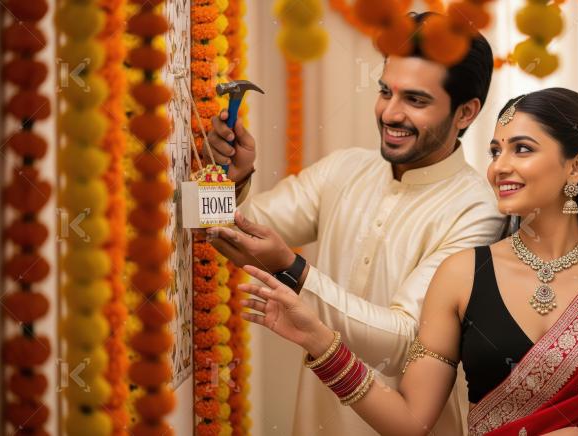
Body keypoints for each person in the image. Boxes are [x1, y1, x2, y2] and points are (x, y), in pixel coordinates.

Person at [236, 88, 578, 435]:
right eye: (496, 151)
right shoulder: (461, 274)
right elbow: (411, 422)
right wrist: (319, 341)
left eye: (522, 149)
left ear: (576, 167)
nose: (500, 166)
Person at [203, 12, 505, 435]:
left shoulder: (479, 212)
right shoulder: (345, 170)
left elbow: (408, 344)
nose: (390, 114)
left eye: (415, 100)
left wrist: (293, 270)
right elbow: (232, 231)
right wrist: (233, 178)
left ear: (466, 112)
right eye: (386, 92)